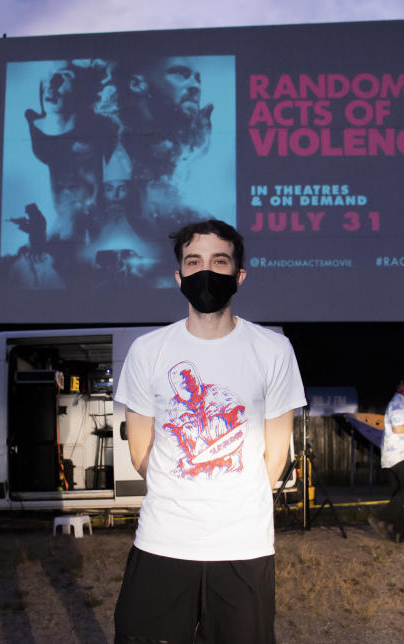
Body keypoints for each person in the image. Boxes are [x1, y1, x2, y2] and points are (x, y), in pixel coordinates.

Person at [113, 219, 307, 643]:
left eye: (219, 261)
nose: (207, 272)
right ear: (178, 276)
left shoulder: (273, 350)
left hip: (243, 547)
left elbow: (275, 458)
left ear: (239, 276)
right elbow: (141, 451)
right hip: (163, 542)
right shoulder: (148, 352)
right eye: (194, 261)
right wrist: (183, 487)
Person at [369, 375, 404, 543]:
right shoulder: (399, 405)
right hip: (400, 454)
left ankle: (400, 531)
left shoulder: (399, 403)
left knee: (397, 493)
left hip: (392, 454)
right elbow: (398, 429)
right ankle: (381, 519)